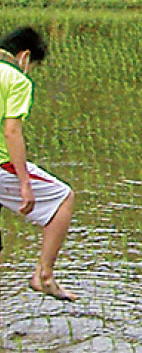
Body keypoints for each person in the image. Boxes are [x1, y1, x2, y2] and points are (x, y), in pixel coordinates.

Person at [0, 27, 77, 301]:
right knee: (63, 197)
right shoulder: (15, 79)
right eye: (31, 66)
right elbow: (11, 132)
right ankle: (44, 275)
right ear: (24, 56)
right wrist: (24, 184)